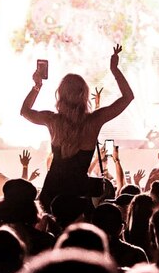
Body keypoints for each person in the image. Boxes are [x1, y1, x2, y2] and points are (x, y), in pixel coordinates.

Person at [20, 44, 134, 212]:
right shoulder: (94, 121)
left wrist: (37, 85)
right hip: (78, 194)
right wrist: (114, 69)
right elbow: (128, 97)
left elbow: (25, 111)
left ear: (60, 94)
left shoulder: (52, 120)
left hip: (52, 193)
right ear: (84, 94)